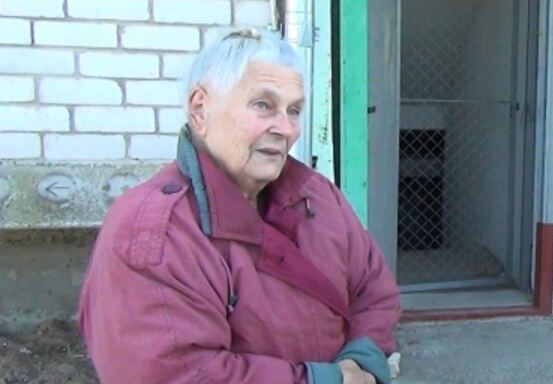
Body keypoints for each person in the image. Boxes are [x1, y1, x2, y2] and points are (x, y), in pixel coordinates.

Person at [79, 28, 400, 383]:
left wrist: (362, 360)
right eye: (263, 105)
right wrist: (327, 380)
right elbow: (176, 373)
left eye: (294, 110)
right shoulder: (153, 233)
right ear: (200, 109)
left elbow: (373, 290)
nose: (286, 129)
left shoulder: (317, 195)